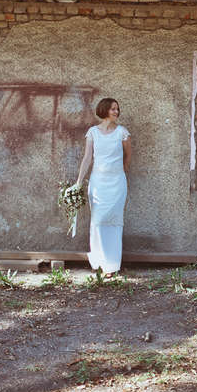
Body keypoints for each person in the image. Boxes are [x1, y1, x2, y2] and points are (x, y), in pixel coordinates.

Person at [74, 97, 132, 274]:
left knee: (113, 222)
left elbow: (128, 155)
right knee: (98, 221)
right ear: (104, 110)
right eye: (113, 109)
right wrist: (79, 182)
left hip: (117, 184)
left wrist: (120, 170)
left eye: (117, 109)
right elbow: (87, 158)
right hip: (98, 184)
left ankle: (112, 266)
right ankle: (98, 262)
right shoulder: (93, 132)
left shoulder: (122, 132)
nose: (116, 112)